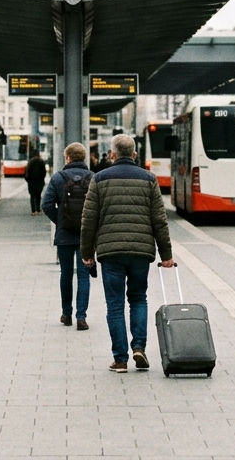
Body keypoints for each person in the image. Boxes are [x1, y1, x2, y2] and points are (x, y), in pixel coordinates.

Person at [80, 134, 174, 373]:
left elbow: (89, 220)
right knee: (138, 298)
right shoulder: (149, 179)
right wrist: (166, 255)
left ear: (112, 154)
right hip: (141, 251)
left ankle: (120, 359)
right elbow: (159, 221)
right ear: (134, 154)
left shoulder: (99, 179)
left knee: (115, 305)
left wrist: (87, 252)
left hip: (111, 252)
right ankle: (139, 347)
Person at [41, 142, 92, 329]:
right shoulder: (93, 178)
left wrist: (61, 220)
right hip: (86, 236)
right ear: (84, 158)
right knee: (84, 275)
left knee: (66, 274)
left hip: (64, 235)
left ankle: (66, 314)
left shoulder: (58, 178)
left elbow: (46, 205)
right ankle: (81, 317)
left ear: (67, 158)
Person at [24, 149, 49, 215]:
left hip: (31, 182)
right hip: (39, 182)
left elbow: (26, 173)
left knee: (32, 196)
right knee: (38, 196)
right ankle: (38, 209)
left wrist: (28, 181)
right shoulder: (41, 162)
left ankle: (33, 211)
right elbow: (44, 172)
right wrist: (42, 180)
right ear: (38, 154)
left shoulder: (30, 162)